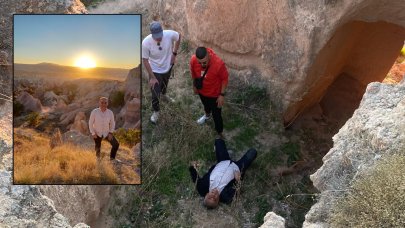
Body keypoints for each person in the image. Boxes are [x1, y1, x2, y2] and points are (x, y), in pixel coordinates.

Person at [189, 139, 257, 208]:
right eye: (215, 199)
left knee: (218, 141)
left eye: (210, 198)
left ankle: (217, 148)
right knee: (253, 152)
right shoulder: (226, 197)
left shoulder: (202, 188)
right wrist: (238, 179)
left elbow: (195, 177)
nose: (213, 196)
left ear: (206, 196)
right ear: (218, 201)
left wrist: (192, 166)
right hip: (237, 167)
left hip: (222, 161)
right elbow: (238, 190)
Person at [142, 21, 181, 124]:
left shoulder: (169, 34)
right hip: (154, 70)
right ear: (151, 34)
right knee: (155, 93)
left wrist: (174, 53)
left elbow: (179, 36)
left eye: (160, 35)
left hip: (167, 66)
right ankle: (156, 112)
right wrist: (152, 77)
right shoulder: (146, 43)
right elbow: (145, 60)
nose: (158, 38)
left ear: (162, 31)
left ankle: (164, 95)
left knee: (164, 85)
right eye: (156, 36)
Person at [190, 47, 229, 138]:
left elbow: (224, 79)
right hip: (202, 92)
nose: (202, 65)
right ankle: (207, 116)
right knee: (206, 105)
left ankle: (219, 133)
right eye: (200, 62)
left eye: (204, 62)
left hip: (214, 95)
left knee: (217, 115)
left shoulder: (218, 64)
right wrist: (194, 86)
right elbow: (193, 74)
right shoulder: (193, 60)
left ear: (209, 56)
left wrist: (221, 95)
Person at [88, 97, 120, 161]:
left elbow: (112, 123)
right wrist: (93, 133)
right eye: (102, 102)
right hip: (97, 133)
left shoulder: (110, 112)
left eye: (105, 103)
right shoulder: (94, 112)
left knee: (116, 144)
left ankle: (112, 158)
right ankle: (98, 159)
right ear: (99, 103)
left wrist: (110, 133)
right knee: (98, 147)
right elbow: (90, 123)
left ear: (107, 103)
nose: (103, 104)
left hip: (107, 133)